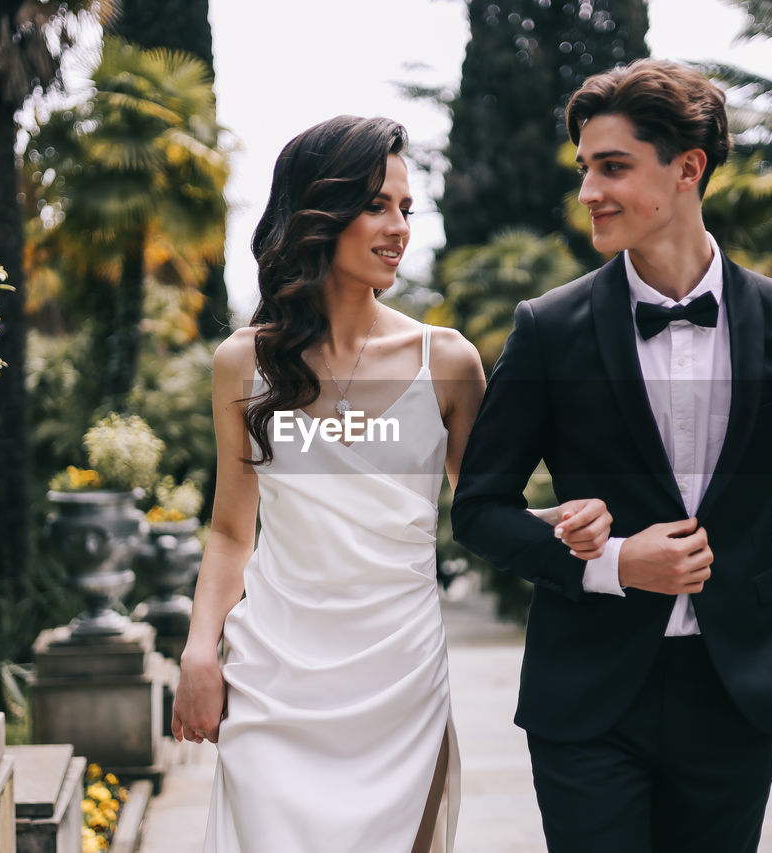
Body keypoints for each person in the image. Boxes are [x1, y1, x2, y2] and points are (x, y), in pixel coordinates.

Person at [170, 115, 612, 853]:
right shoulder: (242, 364)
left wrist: (570, 524)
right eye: (377, 205)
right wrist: (198, 650)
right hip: (274, 678)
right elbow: (229, 531)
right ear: (320, 209)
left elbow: (485, 512)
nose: (399, 227)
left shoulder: (448, 360)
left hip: (398, 679)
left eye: (406, 209)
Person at [451, 59, 772, 852]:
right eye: (584, 170)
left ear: (687, 168)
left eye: (612, 167)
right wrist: (611, 563)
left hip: (736, 690)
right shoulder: (549, 328)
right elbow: (479, 508)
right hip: (587, 699)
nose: (588, 192)